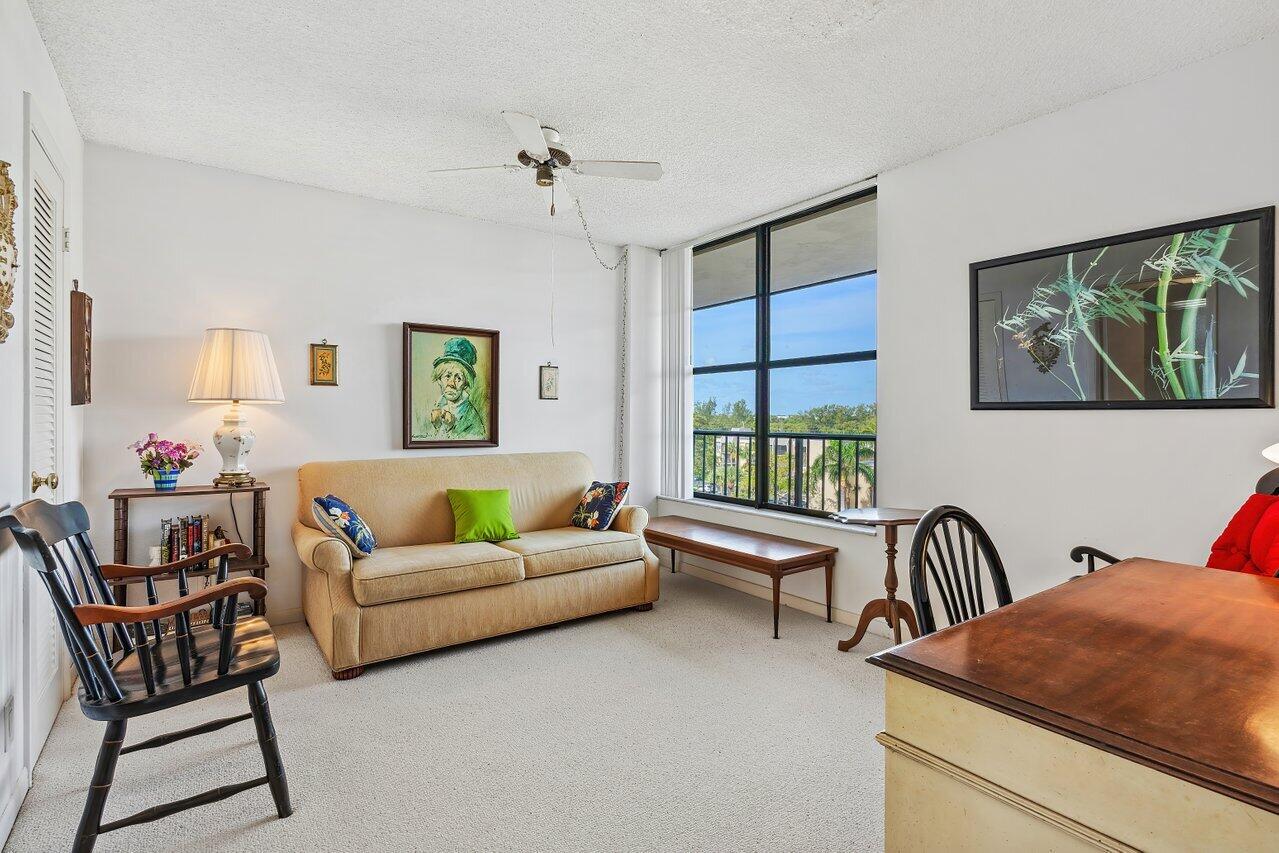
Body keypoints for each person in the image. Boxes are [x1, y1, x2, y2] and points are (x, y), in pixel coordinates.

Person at [428, 337, 485, 438]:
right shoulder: (437, 409)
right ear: (439, 380)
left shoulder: (472, 418)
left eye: (458, 378)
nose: (451, 384)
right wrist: (437, 427)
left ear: (466, 383)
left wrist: (451, 428)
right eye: (447, 376)